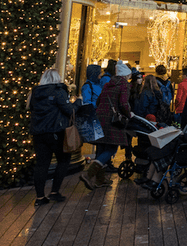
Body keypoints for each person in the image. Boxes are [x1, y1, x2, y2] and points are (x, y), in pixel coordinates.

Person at [28, 69, 82, 206]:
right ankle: (54, 191)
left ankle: (40, 197)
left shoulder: (35, 93)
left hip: (39, 133)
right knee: (64, 160)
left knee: (41, 163)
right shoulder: (58, 91)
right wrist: (78, 102)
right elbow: (69, 110)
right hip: (56, 131)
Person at [83, 60, 133, 190]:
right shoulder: (124, 85)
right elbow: (123, 103)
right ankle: (89, 174)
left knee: (101, 147)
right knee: (111, 148)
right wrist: (129, 113)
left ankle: (100, 180)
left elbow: (99, 100)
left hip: (100, 117)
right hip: (112, 121)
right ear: (126, 75)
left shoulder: (108, 84)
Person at [140, 103, 187, 190]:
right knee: (160, 153)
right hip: (185, 148)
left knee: (163, 155)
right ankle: (149, 178)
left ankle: (155, 181)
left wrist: (182, 134)